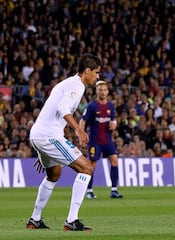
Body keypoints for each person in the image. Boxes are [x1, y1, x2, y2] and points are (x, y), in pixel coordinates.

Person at [26, 54, 102, 231]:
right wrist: (79, 129)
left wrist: (44, 148)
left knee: (54, 174)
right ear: (87, 71)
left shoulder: (68, 83)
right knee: (87, 168)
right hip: (48, 136)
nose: (98, 77)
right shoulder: (76, 85)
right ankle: (72, 220)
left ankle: (35, 219)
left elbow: (54, 111)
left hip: (39, 135)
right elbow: (62, 108)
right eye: (97, 73)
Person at [79, 80, 123, 199]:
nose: (102, 92)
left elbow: (113, 120)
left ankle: (114, 190)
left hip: (107, 140)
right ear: (96, 91)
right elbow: (83, 121)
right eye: (100, 90)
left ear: (107, 91)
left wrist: (114, 124)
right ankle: (89, 190)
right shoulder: (92, 106)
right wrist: (81, 135)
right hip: (95, 141)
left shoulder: (110, 106)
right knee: (91, 166)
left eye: (104, 90)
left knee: (114, 161)